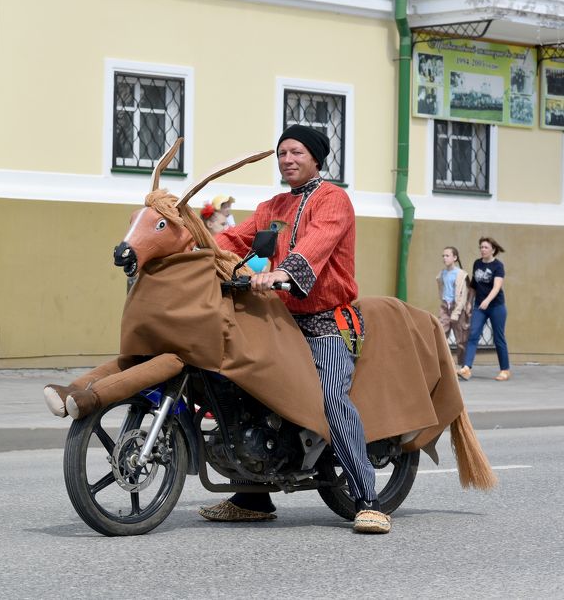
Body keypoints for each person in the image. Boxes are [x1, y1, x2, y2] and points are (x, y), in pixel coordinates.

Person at [199, 124, 390, 535]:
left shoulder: (333, 200)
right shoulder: (273, 207)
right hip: (282, 321)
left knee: (332, 399)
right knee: (248, 389)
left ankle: (367, 499)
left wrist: (282, 273)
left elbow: (315, 245)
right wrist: (192, 247)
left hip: (327, 323)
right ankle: (253, 497)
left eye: (296, 152)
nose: (287, 159)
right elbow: (235, 239)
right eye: (282, 152)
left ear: (316, 158)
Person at [458, 238, 510, 381]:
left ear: (493, 250)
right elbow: (474, 286)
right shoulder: (477, 263)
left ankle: (505, 370)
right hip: (480, 307)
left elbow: (497, 286)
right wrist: (469, 302)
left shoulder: (498, 266)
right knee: (473, 334)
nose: (482, 249)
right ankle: (467, 368)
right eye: (481, 247)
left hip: (496, 306)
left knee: (499, 338)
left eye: (486, 247)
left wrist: (487, 300)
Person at [436, 246, 472, 370]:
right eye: (443, 256)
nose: (444, 258)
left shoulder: (461, 274)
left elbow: (463, 296)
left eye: (447, 255)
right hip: (445, 307)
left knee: (460, 340)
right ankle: (445, 364)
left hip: (458, 309)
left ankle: (463, 366)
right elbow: (442, 289)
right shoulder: (442, 273)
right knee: (441, 334)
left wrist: (456, 313)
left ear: (455, 258)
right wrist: (444, 303)